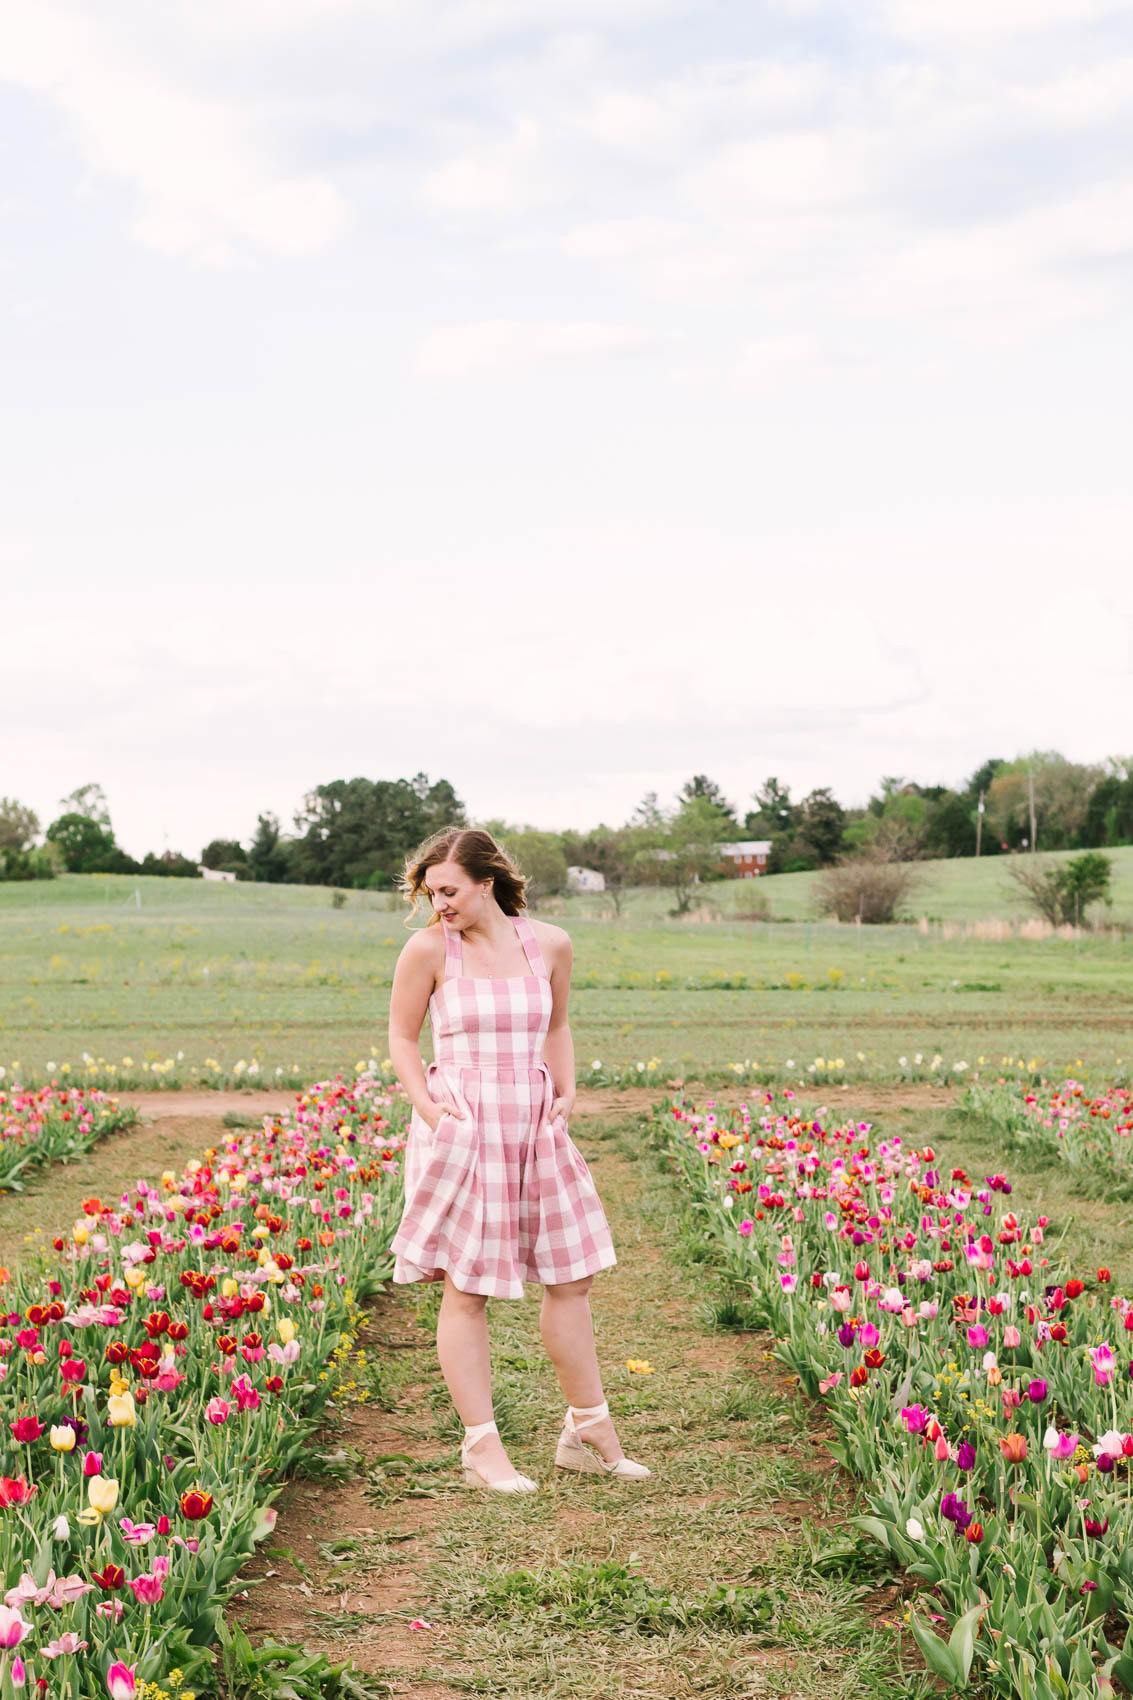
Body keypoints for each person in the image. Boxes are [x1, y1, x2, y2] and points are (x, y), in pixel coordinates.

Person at [388, 826, 649, 1494]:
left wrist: (567, 1092)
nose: (438, 902)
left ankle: (588, 1433)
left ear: (486, 881)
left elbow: (557, 1026)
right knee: (467, 1286)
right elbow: (401, 1038)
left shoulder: (550, 943)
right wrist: (429, 1110)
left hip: (534, 1122)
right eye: (430, 892)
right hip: (466, 1125)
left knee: (571, 1277)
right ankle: (482, 1448)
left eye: (448, 890)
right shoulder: (427, 951)